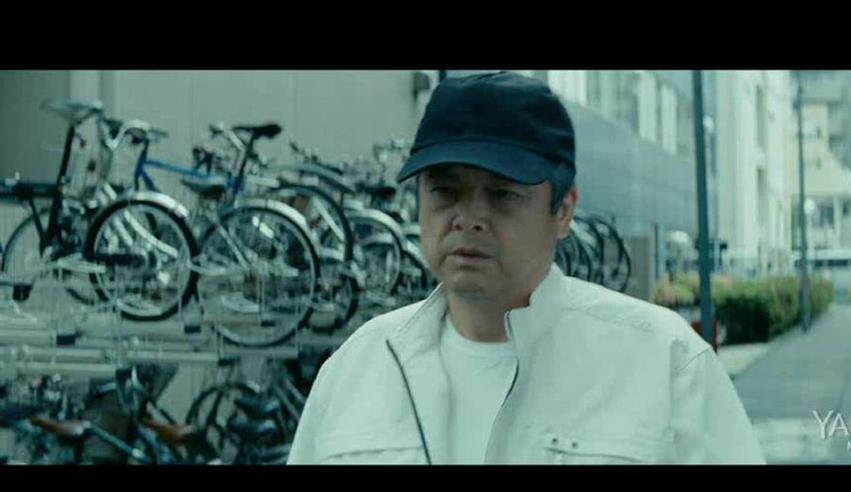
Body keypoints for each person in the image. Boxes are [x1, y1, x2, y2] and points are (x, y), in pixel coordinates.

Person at [288, 71, 765, 464]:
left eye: (502, 194)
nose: (469, 219)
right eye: (445, 191)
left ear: (564, 210)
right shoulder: (359, 367)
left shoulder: (664, 363)